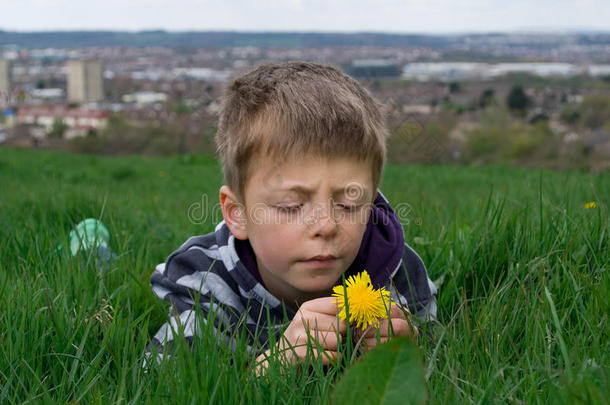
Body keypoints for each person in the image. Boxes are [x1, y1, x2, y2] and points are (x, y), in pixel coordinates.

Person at [146, 61, 437, 371]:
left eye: (350, 203)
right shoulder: (203, 282)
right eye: (290, 205)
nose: (326, 225)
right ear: (238, 214)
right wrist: (269, 369)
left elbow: (445, 358)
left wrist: (410, 351)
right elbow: (162, 383)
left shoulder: (397, 271)